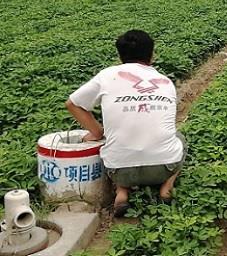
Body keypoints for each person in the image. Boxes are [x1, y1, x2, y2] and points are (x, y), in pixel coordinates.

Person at [66, 30, 186, 217]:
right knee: (179, 137)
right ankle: (166, 188)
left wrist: (97, 132)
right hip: (164, 167)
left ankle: (122, 192)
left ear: (120, 55)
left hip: (119, 170)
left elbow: (72, 104)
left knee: (118, 141)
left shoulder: (107, 75)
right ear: (152, 55)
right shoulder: (165, 81)